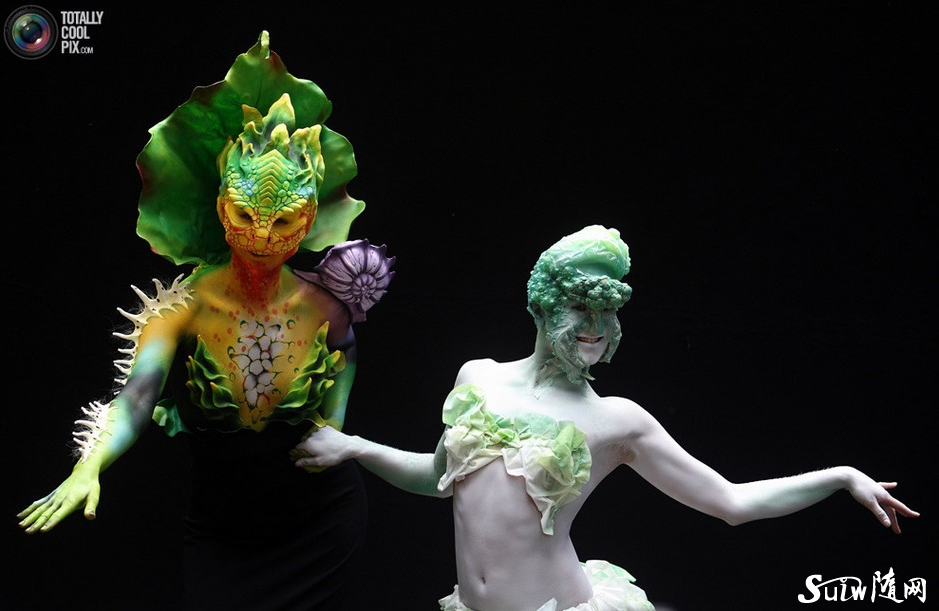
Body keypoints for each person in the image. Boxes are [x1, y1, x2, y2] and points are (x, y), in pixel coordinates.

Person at [292, 224, 918, 611]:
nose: (595, 327)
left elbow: (731, 502)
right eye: (580, 308)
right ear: (541, 307)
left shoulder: (619, 421)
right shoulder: (476, 377)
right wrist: (356, 448)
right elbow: (438, 480)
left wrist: (840, 476)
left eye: (608, 313)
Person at [18, 32, 393, 610]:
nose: (262, 237)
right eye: (245, 214)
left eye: (284, 221)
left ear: (309, 217)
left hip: (322, 519)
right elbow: (135, 399)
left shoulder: (325, 304)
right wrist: (87, 468)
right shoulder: (181, 307)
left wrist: (336, 429)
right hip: (224, 529)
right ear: (221, 208)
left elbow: (345, 349)